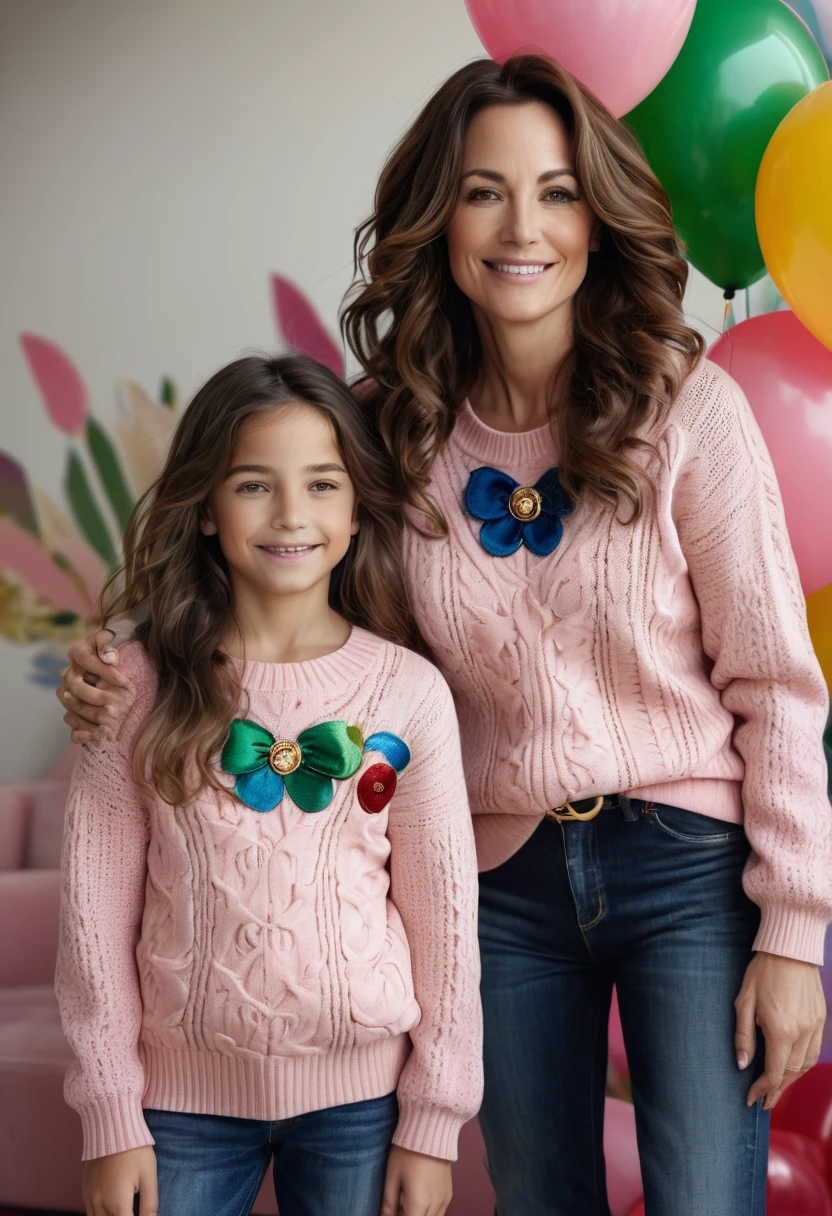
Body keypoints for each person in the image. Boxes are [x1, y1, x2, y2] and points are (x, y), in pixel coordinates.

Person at [60, 56, 830, 1216]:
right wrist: (116, 657)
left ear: (596, 218)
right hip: (493, 882)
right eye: (483, 190)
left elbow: (776, 683)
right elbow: (273, 562)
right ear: (439, 214)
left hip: (688, 868)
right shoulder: (388, 427)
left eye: (557, 191)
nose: (522, 226)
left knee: (703, 1201)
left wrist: (792, 932)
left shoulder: (690, 412)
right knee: (536, 1196)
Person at [55, 353, 482, 1216]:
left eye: (323, 485)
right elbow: (91, 917)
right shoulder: (133, 686)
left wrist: (433, 1123)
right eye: (254, 486)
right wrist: (111, 1116)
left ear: (358, 508)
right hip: (176, 1111)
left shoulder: (407, 692)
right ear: (206, 509)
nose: (292, 516)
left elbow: (445, 924)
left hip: (365, 1107)